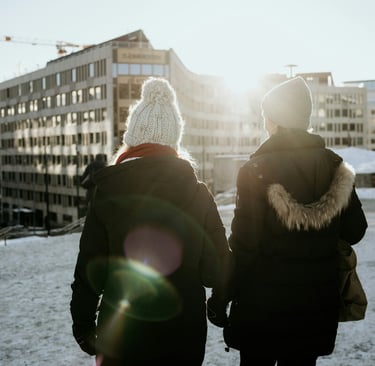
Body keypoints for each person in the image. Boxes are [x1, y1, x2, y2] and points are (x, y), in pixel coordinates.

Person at [70, 77, 232, 366]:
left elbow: (90, 269)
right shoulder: (198, 193)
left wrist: (83, 326)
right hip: (183, 335)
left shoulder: (107, 191)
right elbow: (217, 269)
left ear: (132, 138)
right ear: (174, 142)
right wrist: (217, 305)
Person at [207, 76, 368, 365]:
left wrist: (220, 298)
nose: (264, 121)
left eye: (266, 114)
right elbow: (355, 231)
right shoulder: (336, 167)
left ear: (276, 119)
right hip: (315, 308)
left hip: (261, 310)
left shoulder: (255, 170)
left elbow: (244, 247)